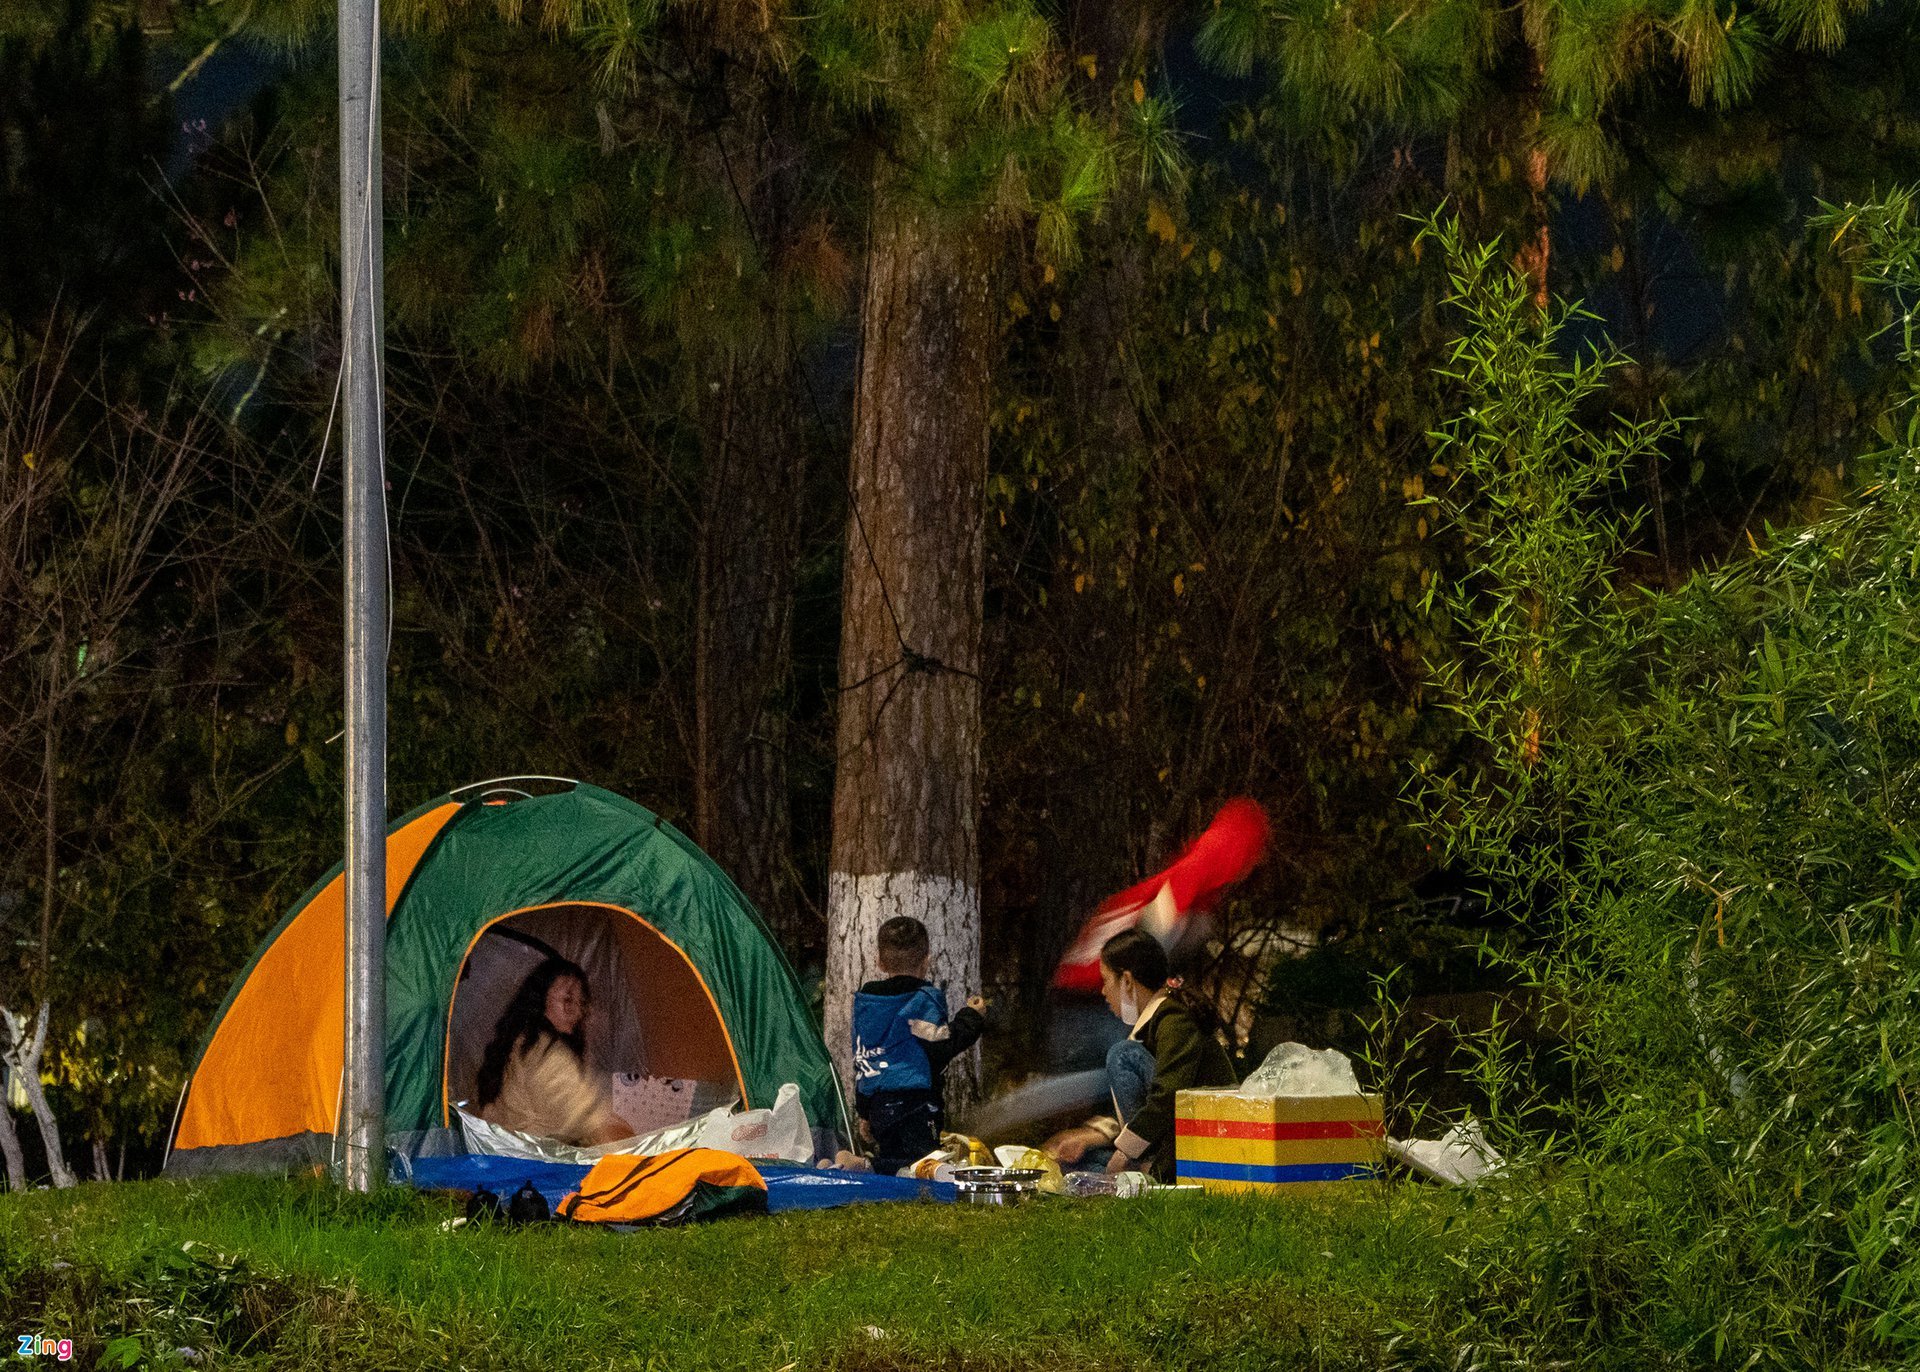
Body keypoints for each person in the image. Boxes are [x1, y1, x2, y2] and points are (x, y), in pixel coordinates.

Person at [1044, 927, 1236, 1180]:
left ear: (1126, 980)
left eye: (1105, 980)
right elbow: (1142, 1107)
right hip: (1170, 1141)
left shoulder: (1175, 1019)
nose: (1103, 991)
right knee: (1074, 1165)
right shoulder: (1155, 1022)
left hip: (1202, 1143)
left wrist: (1126, 1152)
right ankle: (1141, 1168)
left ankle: (1146, 1169)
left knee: (1123, 1054)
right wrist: (1088, 1138)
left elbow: (1168, 1095)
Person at [851, 916, 988, 1175]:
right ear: (927, 961)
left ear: (879, 961)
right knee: (925, 1164)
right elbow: (941, 1046)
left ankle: (865, 1164)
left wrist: (864, 1112)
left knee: (895, 1157)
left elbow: (863, 1057)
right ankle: (864, 1165)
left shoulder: (867, 1004)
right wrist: (971, 1017)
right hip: (916, 1104)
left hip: (879, 1103)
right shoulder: (922, 1000)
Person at [475, 956, 635, 1146]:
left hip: (508, 1156)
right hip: (534, 1163)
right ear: (539, 1000)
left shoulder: (521, 1040)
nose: (577, 1011)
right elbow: (587, 1116)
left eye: (581, 1002)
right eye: (568, 1000)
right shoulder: (547, 1054)